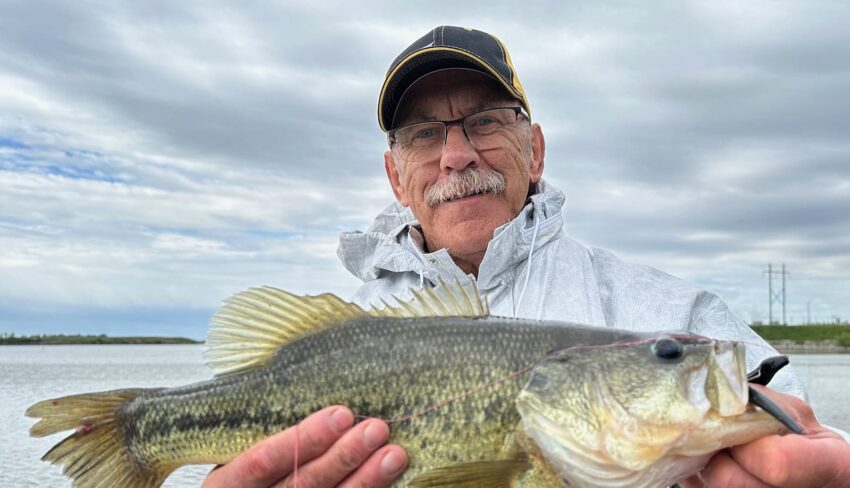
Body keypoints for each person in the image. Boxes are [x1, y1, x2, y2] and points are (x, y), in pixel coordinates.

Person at [204, 26, 850, 488]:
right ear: (395, 178)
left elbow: (807, 435)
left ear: (535, 149)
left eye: (485, 121)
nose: (457, 155)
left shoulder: (679, 316)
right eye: (425, 134)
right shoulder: (346, 331)